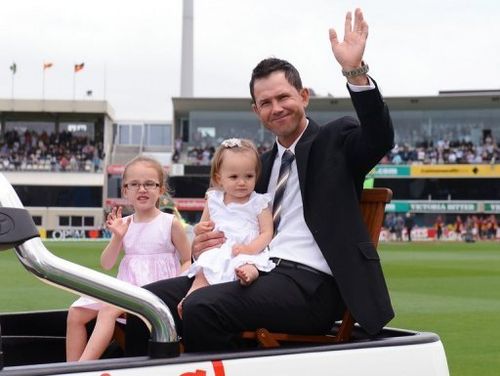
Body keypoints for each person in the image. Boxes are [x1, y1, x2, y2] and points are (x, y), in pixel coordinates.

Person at [125, 8, 394, 354]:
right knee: (140, 301)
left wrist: (354, 72)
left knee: (201, 307)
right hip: (252, 271)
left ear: (304, 96)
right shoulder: (256, 168)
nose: (276, 107)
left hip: (312, 285)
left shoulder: (335, 141)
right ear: (257, 111)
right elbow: (230, 221)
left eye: (283, 97)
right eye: (266, 102)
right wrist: (202, 242)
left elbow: (379, 137)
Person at [66, 156, 191, 361]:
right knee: (76, 313)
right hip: (126, 286)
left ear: (160, 190)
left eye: (149, 184)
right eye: (134, 184)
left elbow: (188, 259)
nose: (142, 189)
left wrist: (175, 284)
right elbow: (106, 264)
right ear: (125, 191)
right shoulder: (123, 224)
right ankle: (70, 367)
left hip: (156, 289)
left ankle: (81, 369)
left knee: (108, 310)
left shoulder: (170, 223)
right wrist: (117, 237)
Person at [178, 138, 275, 317]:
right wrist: (201, 229)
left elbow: (267, 232)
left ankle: (247, 276)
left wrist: (250, 248)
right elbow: (202, 226)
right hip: (220, 248)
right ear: (218, 178)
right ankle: (191, 295)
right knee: (204, 270)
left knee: (250, 265)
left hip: (247, 248)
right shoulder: (213, 199)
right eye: (234, 177)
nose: (242, 182)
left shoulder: (258, 202)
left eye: (249, 176)